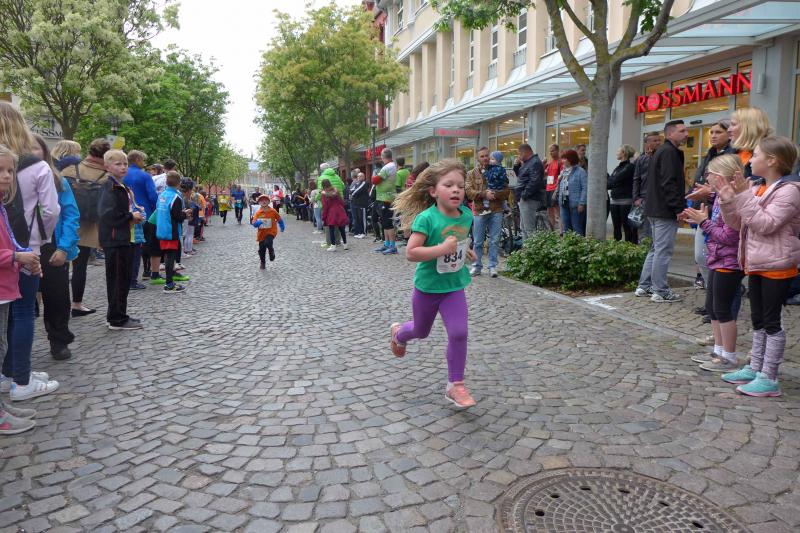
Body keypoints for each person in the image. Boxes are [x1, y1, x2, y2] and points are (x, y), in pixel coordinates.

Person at [715, 136, 800, 397]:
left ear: (772, 161)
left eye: (756, 155)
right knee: (758, 320)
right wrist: (727, 200)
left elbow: (765, 224)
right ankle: (755, 367)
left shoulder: (790, 191)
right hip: (756, 262)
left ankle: (769, 377)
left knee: (771, 322)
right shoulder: (759, 188)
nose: (750, 160)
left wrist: (742, 195)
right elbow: (740, 224)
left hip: (777, 264)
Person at [390, 159, 477, 408]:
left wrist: (465, 252)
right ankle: (399, 333)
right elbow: (411, 253)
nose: (456, 190)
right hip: (428, 288)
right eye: (448, 185)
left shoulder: (466, 216)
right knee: (421, 331)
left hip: (453, 286)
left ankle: (455, 385)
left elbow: (457, 242)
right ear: (433, 191)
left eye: (460, 186)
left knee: (459, 333)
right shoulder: (426, 219)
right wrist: (442, 249)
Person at [0, 103, 60, 401]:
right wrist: (41, 239)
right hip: (25, 251)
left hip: (5, 251)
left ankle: (10, 372)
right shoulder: (37, 166)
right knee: (23, 312)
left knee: (6, 314)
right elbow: (51, 210)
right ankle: (21, 380)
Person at [682, 155, 744, 373]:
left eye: (710, 173)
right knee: (714, 309)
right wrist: (703, 217)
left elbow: (729, 237)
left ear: (721, 176)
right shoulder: (719, 197)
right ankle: (718, 352)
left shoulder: (732, 200)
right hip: (717, 258)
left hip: (729, 261)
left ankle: (729, 356)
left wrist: (704, 223)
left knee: (723, 310)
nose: (706, 176)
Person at [0, 144, 43, 430]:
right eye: (0, 170)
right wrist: (16, 257)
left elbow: (10, 241)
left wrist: (26, 256)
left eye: (9, 170)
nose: (6, 176)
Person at [31, 134, 80, 361]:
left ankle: (59, 340)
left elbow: (71, 215)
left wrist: (64, 247)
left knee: (57, 296)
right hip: (24, 247)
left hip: (53, 245)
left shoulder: (59, 181)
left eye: (34, 148)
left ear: (44, 152)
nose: (30, 152)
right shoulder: (11, 178)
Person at [635, 120, 689, 303]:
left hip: (655, 208)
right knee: (663, 251)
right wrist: (678, 208)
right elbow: (669, 182)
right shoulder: (668, 152)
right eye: (682, 131)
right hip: (663, 210)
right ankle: (660, 290)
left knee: (656, 249)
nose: (686, 134)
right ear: (670, 134)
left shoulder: (663, 151)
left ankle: (645, 286)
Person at [62, 138, 110, 317]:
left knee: (60, 266)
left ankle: (57, 305)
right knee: (79, 266)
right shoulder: (106, 175)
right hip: (88, 225)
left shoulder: (70, 169)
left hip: (64, 222)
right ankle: (77, 304)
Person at [686, 120, 735, 290]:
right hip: (705, 210)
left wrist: (711, 192)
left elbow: (732, 186)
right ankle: (711, 289)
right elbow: (698, 181)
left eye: (718, 132)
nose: (713, 136)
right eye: (711, 132)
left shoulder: (732, 155)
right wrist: (692, 206)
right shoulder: (710, 154)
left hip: (721, 211)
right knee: (701, 256)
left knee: (714, 256)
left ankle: (718, 292)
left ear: (729, 134)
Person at [99, 150, 145, 330]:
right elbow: (108, 214)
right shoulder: (109, 187)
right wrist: (130, 216)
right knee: (118, 280)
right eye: (118, 164)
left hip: (123, 237)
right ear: (107, 166)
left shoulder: (120, 185)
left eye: (125, 163)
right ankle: (117, 319)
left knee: (123, 279)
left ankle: (118, 314)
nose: (123, 167)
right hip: (115, 239)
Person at [467, 148, 509, 277]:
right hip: (480, 210)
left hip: (496, 209)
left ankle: (492, 266)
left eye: (487, 156)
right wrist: (484, 194)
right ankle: (476, 266)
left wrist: (495, 194)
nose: (485, 158)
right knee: (478, 241)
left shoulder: (499, 170)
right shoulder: (471, 174)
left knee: (495, 240)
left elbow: (507, 191)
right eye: (482, 156)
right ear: (477, 158)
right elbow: (469, 192)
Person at [123, 150, 157, 291]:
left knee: (127, 246)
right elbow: (152, 196)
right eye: (143, 160)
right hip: (144, 214)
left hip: (126, 214)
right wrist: (155, 211)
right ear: (137, 159)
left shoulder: (122, 174)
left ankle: (125, 276)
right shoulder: (144, 176)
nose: (144, 163)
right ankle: (146, 271)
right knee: (144, 243)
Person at [155, 171, 189, 293]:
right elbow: (177, 216)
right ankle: (169, 284)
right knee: (170, 257)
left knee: (167, 256)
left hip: (161, 228)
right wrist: (185, 214)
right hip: (171, 230)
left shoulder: (162, 195)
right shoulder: (176, 197)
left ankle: (169, 282)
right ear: (179, 183)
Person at [513, 143, 546, 239]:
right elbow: (522, 177)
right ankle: (526, 247)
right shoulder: (528, 162)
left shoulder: (534, 162)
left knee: (529, 228)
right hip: (525, 198)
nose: (519, 157)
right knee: (524, 227)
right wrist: (516, 166)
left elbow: (534, 181)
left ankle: (531, 247)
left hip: (529, 199)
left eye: (519, 154)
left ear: (525, 152)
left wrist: (524, 195)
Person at [632, 133, 662, 240]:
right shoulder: (641, 159)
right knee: (644, 232)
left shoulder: (663, 157)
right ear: (647, 143)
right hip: (644, 199)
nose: (658, 142)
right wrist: (636, 198)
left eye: (659, 140)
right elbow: (636, 179)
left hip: (659, 199)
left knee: (658, 232)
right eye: (655, 141)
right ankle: (644, 249)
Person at [729, 107, 772, 178]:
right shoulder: (732, 151)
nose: (728, 129)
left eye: (733, 124)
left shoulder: (767, 152)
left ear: (749, 127)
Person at [607, 144, 637, 243]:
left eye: (618, 151)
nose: (616, 153)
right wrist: (610, 181)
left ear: (624, 153)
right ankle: (616, 247)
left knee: (627, 227)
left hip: (625, 202)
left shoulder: (629, 167)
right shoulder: (618, 168)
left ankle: (629, 247)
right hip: (614, 201)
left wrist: (611, 181)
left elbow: (614, 180)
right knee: (616, 227)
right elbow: (610, 183)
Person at [372, 149, 399, 255]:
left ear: (383, 156)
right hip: (383, 197)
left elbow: (375, 180)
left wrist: (375, 175)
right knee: (384, 222)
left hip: (386, 198)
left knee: (387, 223)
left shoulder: (388, 166)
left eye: (381, 156)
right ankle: (387, 244)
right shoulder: (390, 166)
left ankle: (392, 246)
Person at [555, 149, 587, 235]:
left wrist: (582, 203)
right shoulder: (563, 171)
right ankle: (567, 243)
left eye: (565, 158)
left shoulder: (580, 171)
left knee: (577, 228)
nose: (563, 160)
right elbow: (561, 187)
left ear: (571, 159)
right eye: (563, 158)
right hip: (564, 203)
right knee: (566, 228)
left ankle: (578, 243)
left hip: (576, 205)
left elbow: (585, 188)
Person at [251, 194, 285, 268]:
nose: (264, 201)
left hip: (271, 231)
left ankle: (271, 251)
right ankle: (263, 263)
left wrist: (282, 226)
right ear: (259, 202)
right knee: (261, 250)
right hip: (261, 233)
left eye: (265, 200)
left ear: (269, 202)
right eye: (261, 200)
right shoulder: (258, 213)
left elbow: (279, 219)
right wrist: (258, 222)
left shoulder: (273, 211)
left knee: (268, 242)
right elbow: (254, 223)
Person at [321, 179, 349, 252]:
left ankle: (333, 246)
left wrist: (324, 217)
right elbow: (341, 201)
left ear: (323, 185)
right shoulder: (335, 190)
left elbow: (325, 206)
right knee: (341, 228)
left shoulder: (324, 194)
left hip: (331, 212)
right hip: (340, 210)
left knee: (331, 229)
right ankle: (345, 244)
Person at [544, 144, 562, 229]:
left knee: (558, 211)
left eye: (552, 151)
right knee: (549, 211)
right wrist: (543, 164)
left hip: (555, 189)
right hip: (548, 189)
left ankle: (561, 231)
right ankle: (552, 231)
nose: (551, 153)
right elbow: (545, 174)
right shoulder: (550, 163)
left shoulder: (560, 162)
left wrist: (557, 188)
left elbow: (562, 176)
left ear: (557, 151)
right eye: (550, 151)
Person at [350, 172, 369, 238]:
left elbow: (357, 191)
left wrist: (352, 194)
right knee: (358, 219)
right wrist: (352, 193)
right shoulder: (357, 183)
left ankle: (364, 232)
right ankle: (360, 232)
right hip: (356, 203)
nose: (359, 177)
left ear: (364, 177)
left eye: (360, 176)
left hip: (362, 204)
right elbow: (351, 190)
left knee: (362, 219)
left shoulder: (364, 183)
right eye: (358, 176)